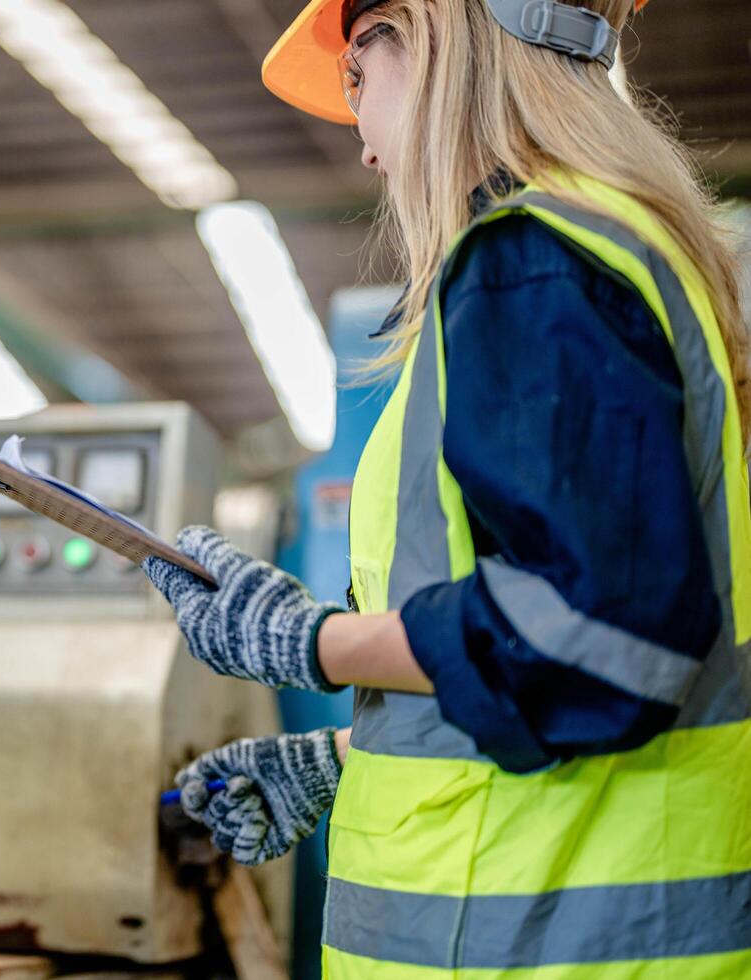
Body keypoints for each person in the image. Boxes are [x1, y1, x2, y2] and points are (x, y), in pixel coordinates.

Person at [144, 0, 751, 975]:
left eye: (356, 79)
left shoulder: (533, 261)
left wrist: (310, 642)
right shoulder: (619, 255)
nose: (366, 149)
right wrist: (352, 754)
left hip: (543, 947)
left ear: (433, 37)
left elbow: (600, 634)